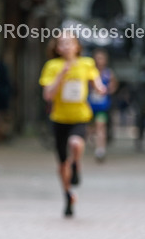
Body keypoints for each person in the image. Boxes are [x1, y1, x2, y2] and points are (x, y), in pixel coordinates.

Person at [39, 33, 106, 217]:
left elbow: (96, 81)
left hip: (80, 116)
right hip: (59, 118)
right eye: (62, 43)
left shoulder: (86, 63)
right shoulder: (52, 66)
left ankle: (76, 164)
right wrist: (62, 74)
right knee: (61, 164)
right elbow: (48, 95)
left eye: (70, 43)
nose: (66, 46)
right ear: (57, 48)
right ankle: (68, 195)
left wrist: (100, 87)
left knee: (76, 143)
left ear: (77, 46)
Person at [88, 48, 117, 161]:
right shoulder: (90, 72)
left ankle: (100, 149)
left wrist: (106, 90)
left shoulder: (108, 73)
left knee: (101, 126)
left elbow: (113, 87)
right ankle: (92, 139)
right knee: (90, 128)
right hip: (89, 105)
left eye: (102, 58)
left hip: (102, 106)